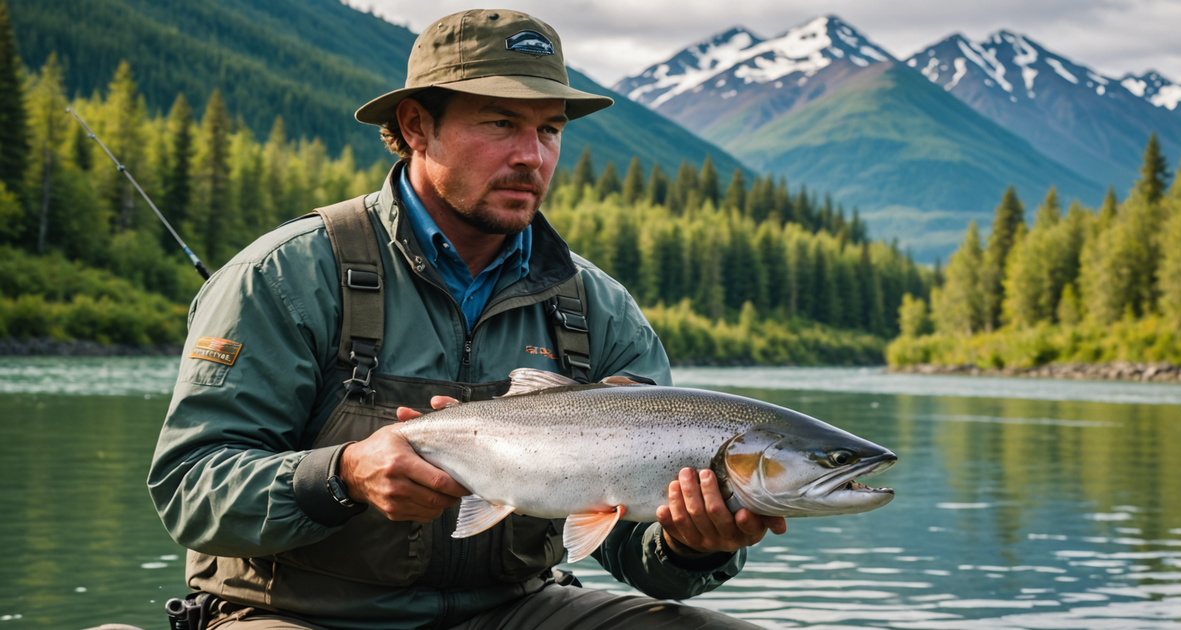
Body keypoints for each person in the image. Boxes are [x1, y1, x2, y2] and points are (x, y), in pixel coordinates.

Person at [148, 9, 783, 629]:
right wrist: (342, 476)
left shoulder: (598, 310)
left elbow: (630, 552)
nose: (532, 157)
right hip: (299, 613)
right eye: (503, 123)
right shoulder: (286, 276)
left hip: (516, 609)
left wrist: (693, 545)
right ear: (416, 125)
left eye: (550, 131)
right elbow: (190, 488)